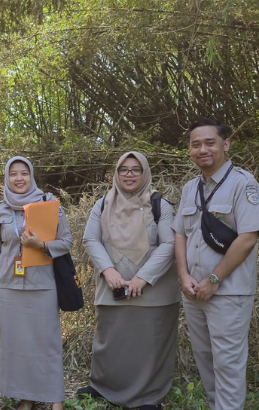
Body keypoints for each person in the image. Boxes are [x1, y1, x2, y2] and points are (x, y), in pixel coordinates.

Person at [173, 117, 259, 410]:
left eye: (210, 143)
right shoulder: (190, 188)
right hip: (193, 292)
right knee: (206, 361)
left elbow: (248, 238)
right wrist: (183, 275)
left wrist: (214, 280)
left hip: (227, 293)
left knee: (228, 364)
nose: (202, 149)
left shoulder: (244, 184)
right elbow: (180, 234)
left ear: (225, 144)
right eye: (195, 144)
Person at [79, 152, 179, 410]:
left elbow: (169, 243)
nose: (129, 174)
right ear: (116, 173)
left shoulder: (160, 205)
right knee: (111, 341)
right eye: (124, 169)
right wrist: (108, 270)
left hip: (153, 292)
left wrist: (143, 277)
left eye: (136, 169)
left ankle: (148, 397)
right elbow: (91, 239)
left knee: (149, 345)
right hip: (113, 287)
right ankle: (103, 386)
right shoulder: (103, 204)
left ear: (145, 173)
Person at [0, 156, 70, 410]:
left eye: (24, 173)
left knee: (47, 342)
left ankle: (55, 399)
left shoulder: (49, 205)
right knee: (17, 346)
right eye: (13, 174)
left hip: (42, 286)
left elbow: (66, 242)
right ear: (7, 178)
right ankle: (27, 397)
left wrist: (41, 245)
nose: (19, 178)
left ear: (32, 176)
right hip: (8, 287)